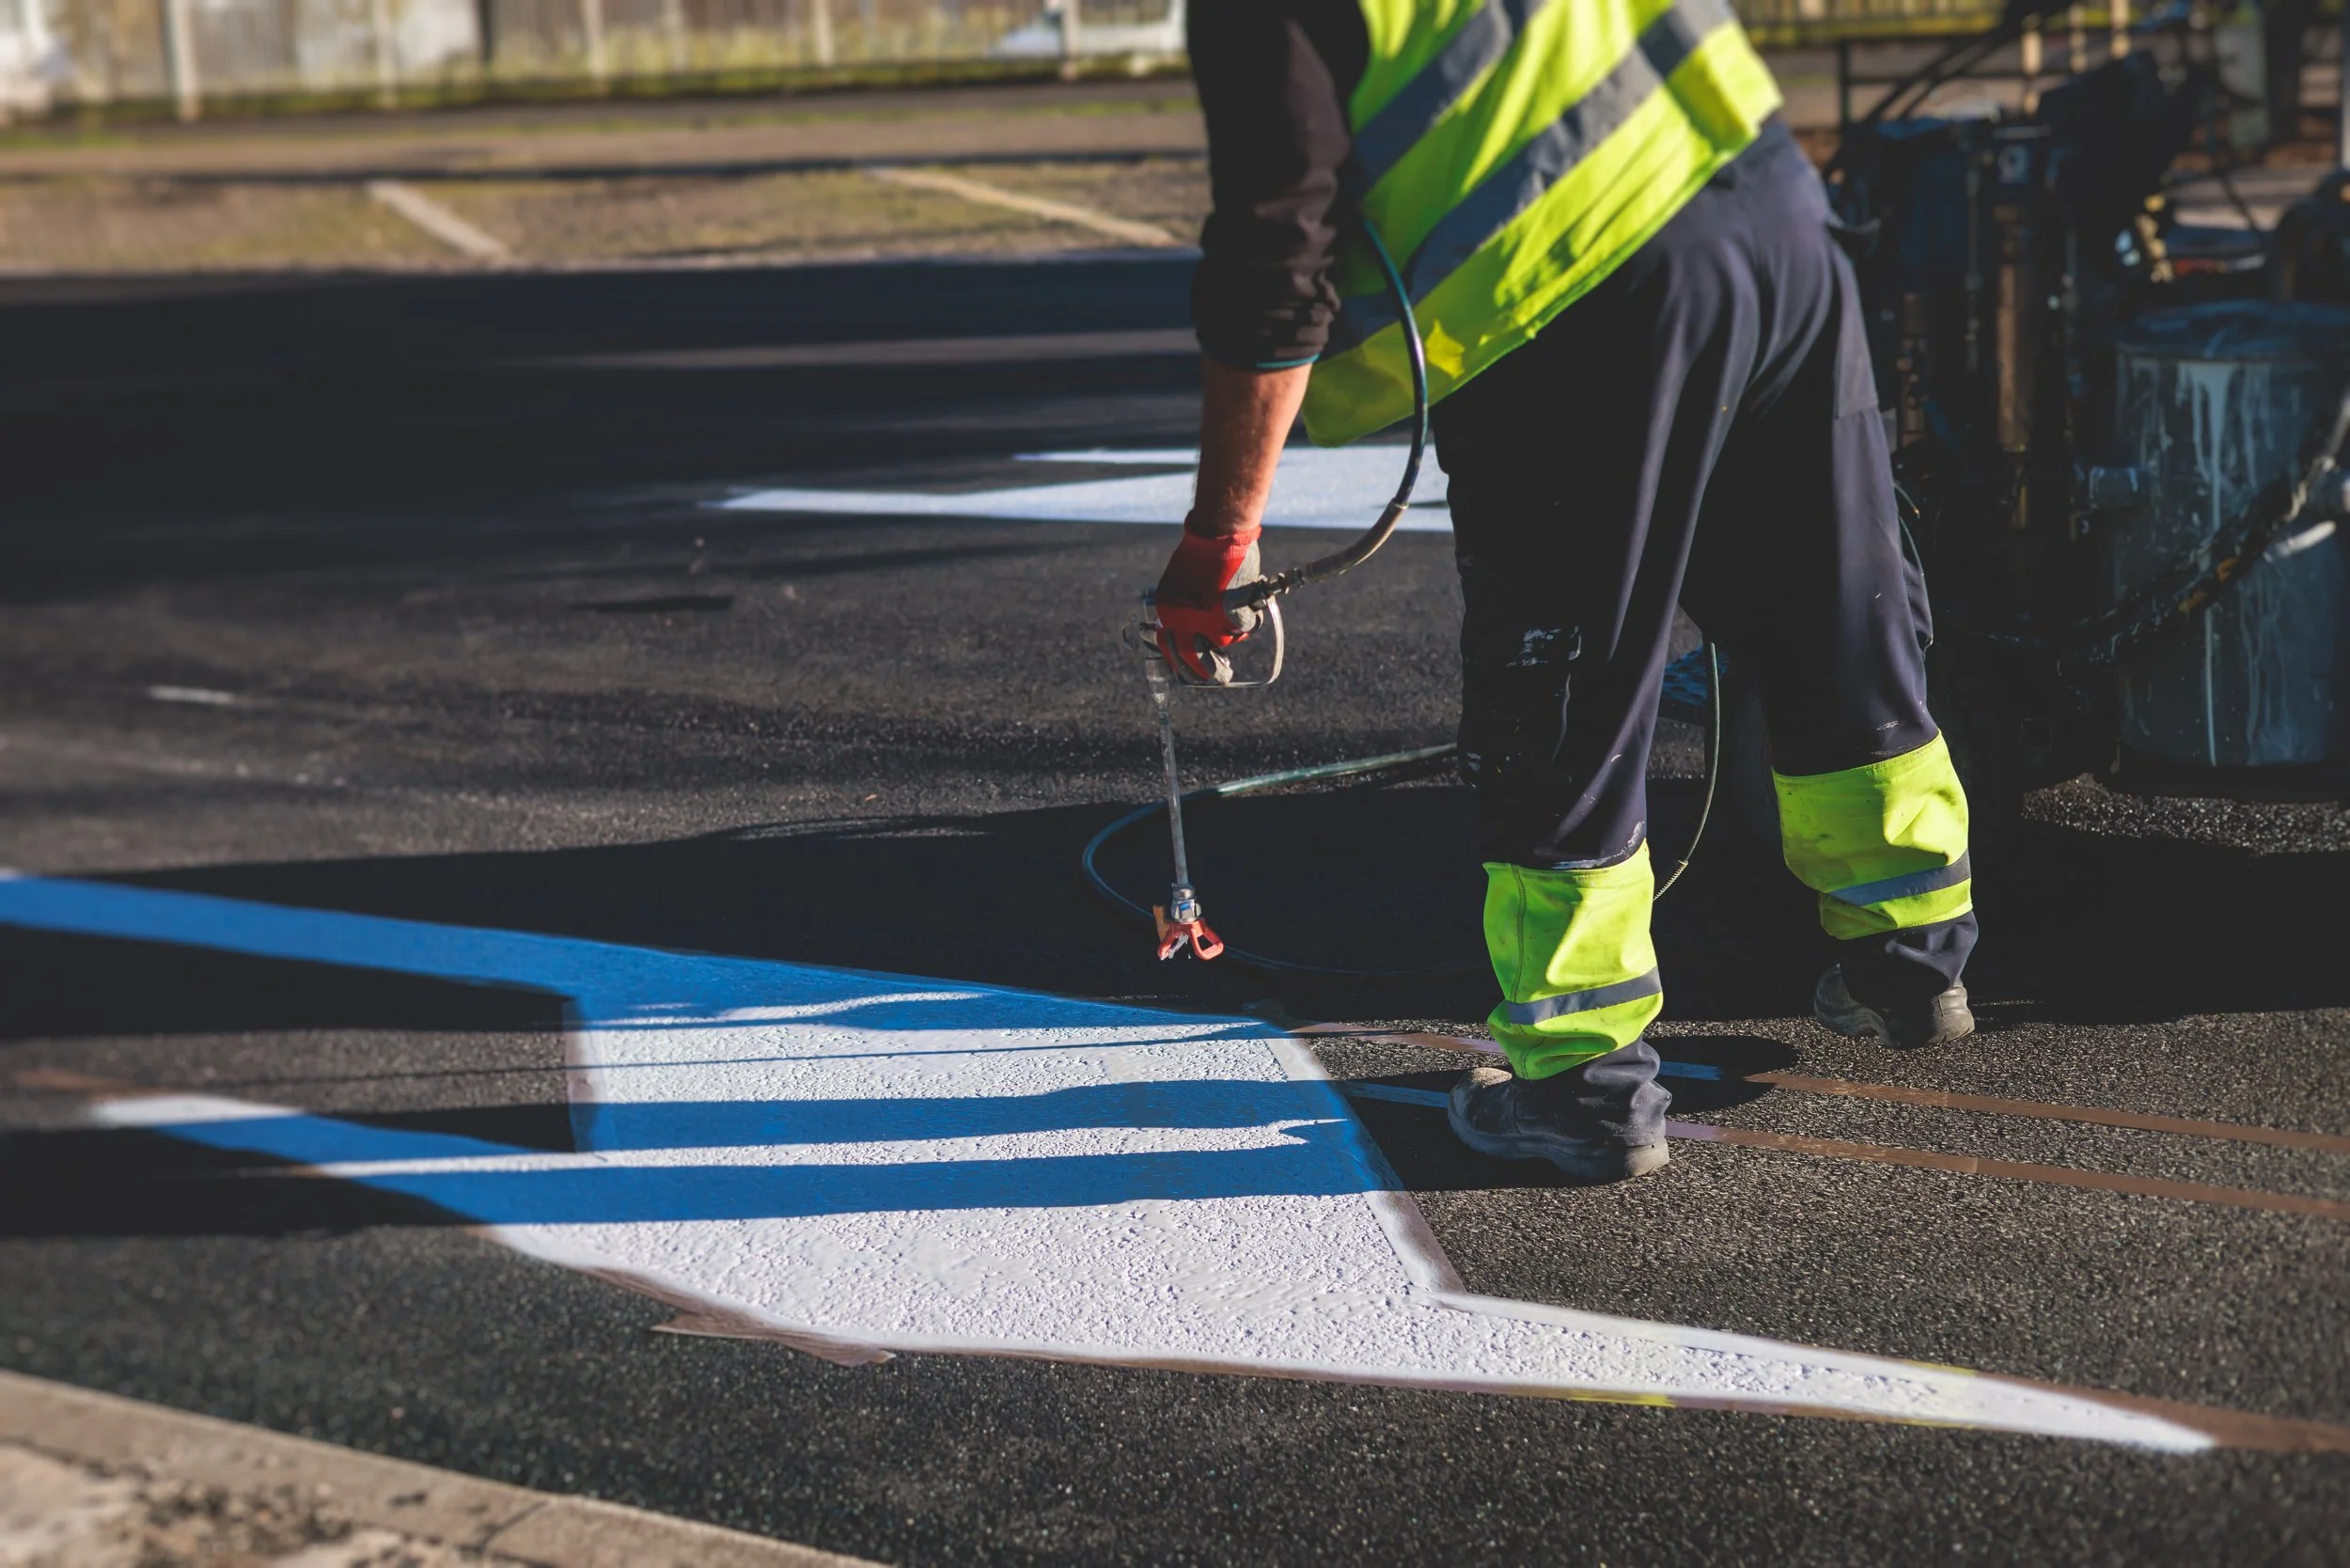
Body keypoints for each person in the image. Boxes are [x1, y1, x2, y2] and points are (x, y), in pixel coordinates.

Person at [1152, 0, 1979, 1184]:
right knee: (1834, 612)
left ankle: (1581, 1086)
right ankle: (1912, 960)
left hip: (1576, 290)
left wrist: (1223, 534)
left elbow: (1279, 253)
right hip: (1772, 218)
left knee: (1563, 694)